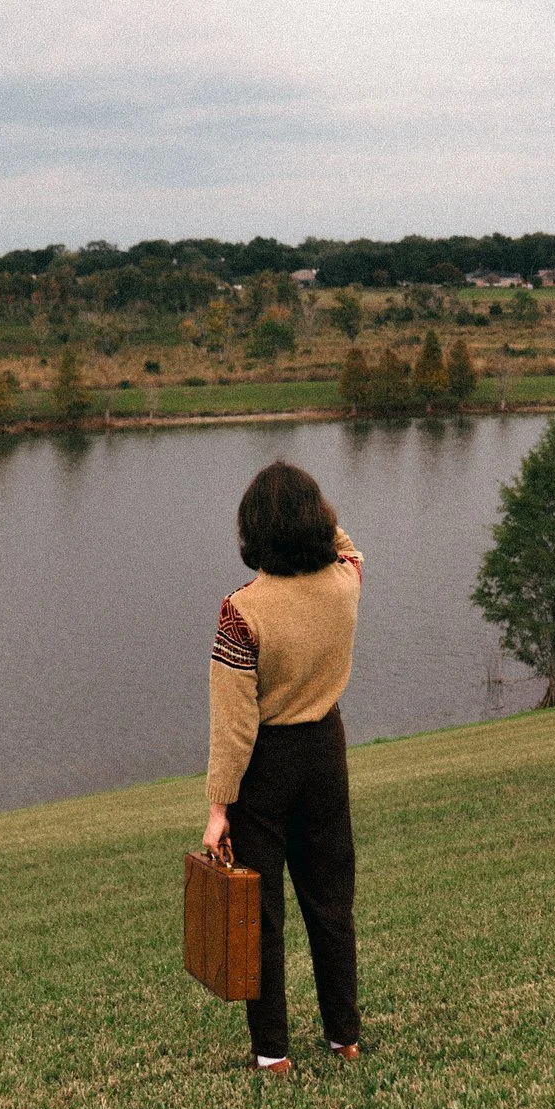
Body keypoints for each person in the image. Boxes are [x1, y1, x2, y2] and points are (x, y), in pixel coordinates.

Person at [202, 460, 365, 1074]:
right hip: (326, 750)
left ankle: (273, 1052)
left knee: (261, 912)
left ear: (252, 531)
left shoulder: (240, 611)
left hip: (264, 768)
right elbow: (348, 547)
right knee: (330, 900)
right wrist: (321, 522)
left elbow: (234, 725)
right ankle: (343, 1035)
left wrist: (220, 807)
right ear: (316, 521)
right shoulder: (344, 584)